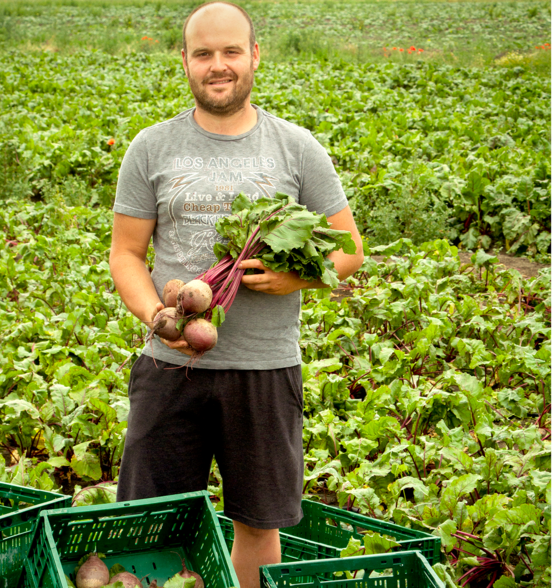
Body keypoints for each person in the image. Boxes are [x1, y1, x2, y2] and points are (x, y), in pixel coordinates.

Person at [108, 3, 364, 588]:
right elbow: (126, 254)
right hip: (170, 364)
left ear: (254, 55)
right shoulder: (151, 147)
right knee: (150, 522)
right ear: (185, 62)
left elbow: (350, 248)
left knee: (258, 522)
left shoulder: (297, 148)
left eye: (230, 51)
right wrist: (158, 315)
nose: (217, 65)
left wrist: (299, 276)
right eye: (203, 54)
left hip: (265, 367)